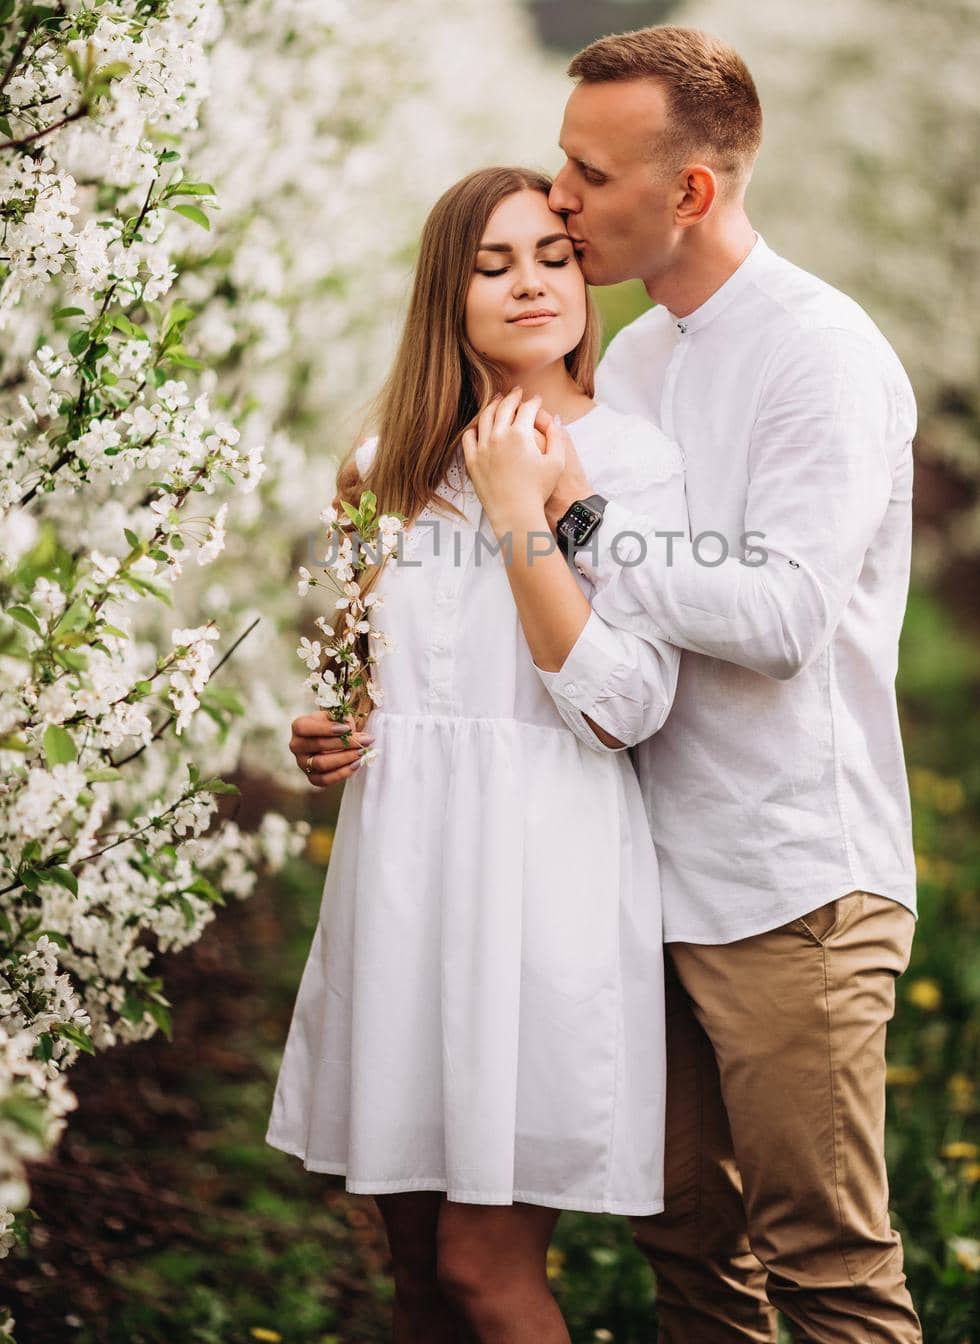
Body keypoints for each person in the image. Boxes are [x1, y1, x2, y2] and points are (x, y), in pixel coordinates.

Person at [528, 25, 923, 1343]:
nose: (558, 199)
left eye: (588, 173)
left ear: (688, 190)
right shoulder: (633, 357)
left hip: (789, 880)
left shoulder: (820, 352)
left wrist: (584, 525)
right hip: (647, 869)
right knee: (685, 1245)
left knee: (824, 1264)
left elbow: (781, 616)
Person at [267, 165, 690, 1344]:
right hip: (405, 874)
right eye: (491, 265)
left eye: (550, 258)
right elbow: (363, 668)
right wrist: (326, 730)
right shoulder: (381, 469)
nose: (528, 286)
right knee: (412, 1273)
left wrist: (526, 513)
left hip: (540, 878)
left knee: (481, 1272)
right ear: (444, 296)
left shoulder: (627, 462)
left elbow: (621, 705)